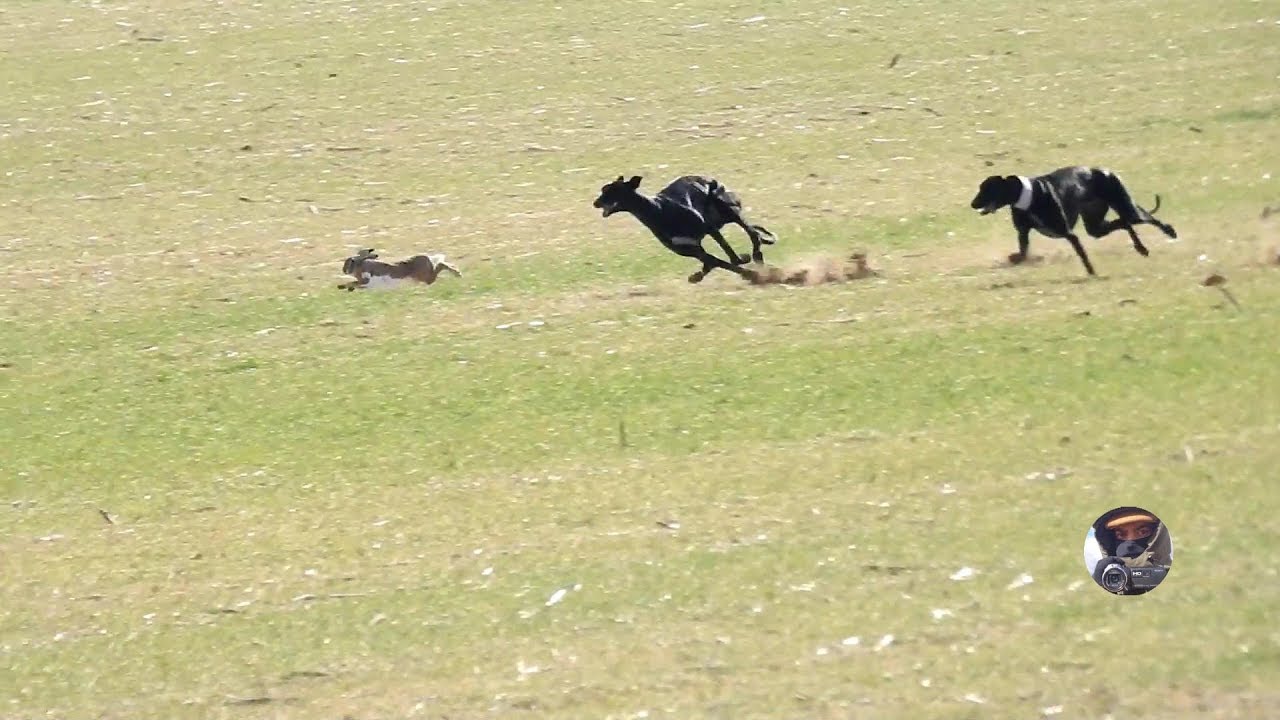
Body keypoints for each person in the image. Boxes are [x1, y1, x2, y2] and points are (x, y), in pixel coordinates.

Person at [1082, 507, 1174, 595]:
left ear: (1159, 535)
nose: (1129, 544)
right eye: (1120, 535)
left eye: (1143, 532)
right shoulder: (1106, 581)